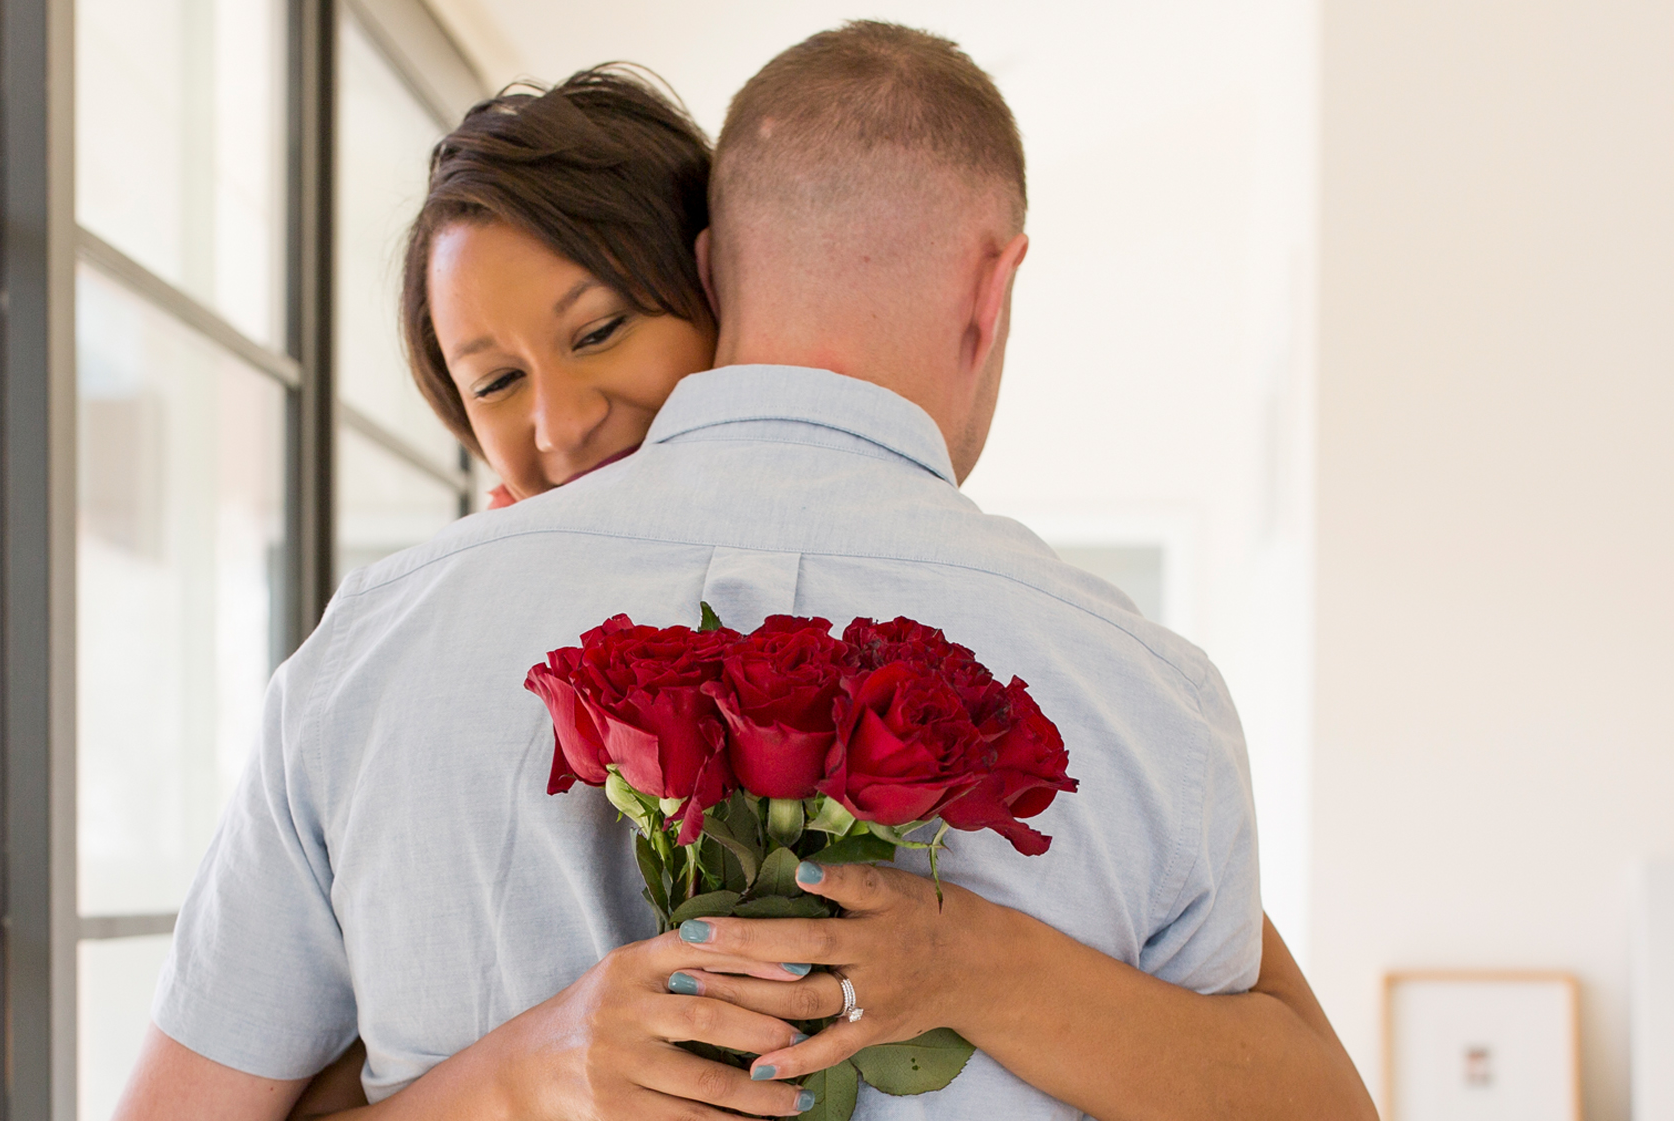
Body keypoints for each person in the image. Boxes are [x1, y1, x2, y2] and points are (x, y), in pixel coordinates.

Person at [118, 22, 1377, 1121]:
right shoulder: (1144, 692)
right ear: (991, 288)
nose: (559, 424)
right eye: (493, 380)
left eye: (599, 328)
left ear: (709, 272)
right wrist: (526, 1068)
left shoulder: (376, 650)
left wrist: (970, 959)